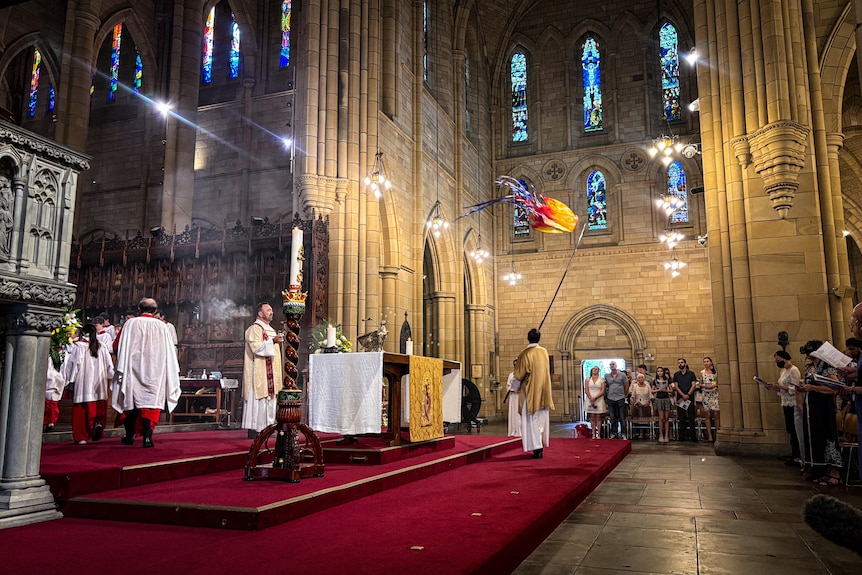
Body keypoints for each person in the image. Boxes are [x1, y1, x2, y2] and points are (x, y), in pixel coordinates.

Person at [112, 298, 181, 448]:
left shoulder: (130, 324)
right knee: (151, 404)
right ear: (155, 311)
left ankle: (129, 435)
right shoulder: (163, 327)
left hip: (132, 369)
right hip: (155, 371)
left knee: (131, 402)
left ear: (139, 309)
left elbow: (116, 346)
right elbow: (170, 352)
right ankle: (148, 438)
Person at [799, 340, 843, 486]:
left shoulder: (827, 367)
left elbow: (835, 389)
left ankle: (833, 472)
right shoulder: (810, 368)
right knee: (814, 437)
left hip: (823, 407)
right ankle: (819, 469)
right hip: (811, 407)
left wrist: (813, 388)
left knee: (826, 435)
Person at [63, 323, 114, 444]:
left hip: (84, 384)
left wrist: (70, 380)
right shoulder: (102, 346)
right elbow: (109, 366)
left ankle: (82, 436)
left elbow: (74, 364)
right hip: (99, 386)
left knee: (82, 410)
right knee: (98, 408)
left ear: (82, 333)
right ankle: (97, 425)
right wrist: (111, 377)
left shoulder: (79, 346)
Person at [242, 302, 284, 435]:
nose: (271, 312)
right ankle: (255, 429)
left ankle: (269, 427)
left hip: (271, 371)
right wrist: (272, 341)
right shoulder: (254, 329)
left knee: (270, 399)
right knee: (258, 399)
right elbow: (256, 348)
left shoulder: (270, 329)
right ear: (260, 313)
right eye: (268, 310)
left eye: (271, 309)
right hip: (258, 372)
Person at [513, 328, 554, 459]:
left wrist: (515, 388)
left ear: (528, 338)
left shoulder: (525, 353)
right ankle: (539, 445)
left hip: (530, 391)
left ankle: (537, 448)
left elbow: (519, 375)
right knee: (541, 420)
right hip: (544, 390)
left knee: (531, 421)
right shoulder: (544, 352)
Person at [768, 350, 802, 465]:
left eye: (778, 360)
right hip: (785, 402)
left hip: (793, 403)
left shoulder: (794, 370)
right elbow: (783, 388)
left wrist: (780, 386)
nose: (777, 362)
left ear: (785, 358)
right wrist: (774, 388)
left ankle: (798, 456)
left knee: (794, 429)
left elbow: (795, 388)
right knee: (790, 429)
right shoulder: (783, 371)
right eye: (776, 360)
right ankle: (794, 453)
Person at [672, 358, 698, 441]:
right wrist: (683, 395)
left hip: (689, 397)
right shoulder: (676, 374)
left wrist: (688, 394)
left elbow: (693, 385)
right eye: (678, 363)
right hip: (681, 397)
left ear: (685, 364)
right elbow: (676, 386)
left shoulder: (691, 374)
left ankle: (693, 436)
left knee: (691, 417)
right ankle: (682, 436)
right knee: (681, 417)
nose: (680, 364)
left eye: (682, 362)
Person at [604, 360, 629, 439]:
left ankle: (623, 433)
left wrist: (625, 395)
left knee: (621, 417)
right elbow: (606, 386)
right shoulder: (607, 376)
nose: (612, 366)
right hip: (611, 398)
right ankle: (614, 432)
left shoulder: (622, 375)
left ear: (616, 365)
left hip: (620, 397)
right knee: (612, 417)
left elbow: (626, 386)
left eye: (613, 364)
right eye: (610, 364)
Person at [700, 357, 720, 442]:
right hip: (706, 394)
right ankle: (710, 435)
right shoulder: (702, 372)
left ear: (711, 363)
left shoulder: (716, 372)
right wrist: (703, 385)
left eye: (707, 361)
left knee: (716, 414)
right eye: (704, 361)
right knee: (707, 415)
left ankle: (718, 433)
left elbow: (718, 382)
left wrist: (714, 385)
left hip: (714, 393)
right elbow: (700, 383)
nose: (706, 363)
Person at [44, 356, 66, 433]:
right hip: (55, 379)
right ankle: (50, 423)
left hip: (53, 379)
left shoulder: (59, 354)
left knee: (51, 404)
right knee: (51, 404)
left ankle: (50, 423)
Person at [584, 365, 607, 439]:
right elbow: (586, 389)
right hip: (590, 398)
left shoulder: (602, 380)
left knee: (598, 417)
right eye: (593, 369)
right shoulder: (588, 379)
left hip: (599, 399)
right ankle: (593, 433)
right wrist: (591, 398)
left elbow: (602, 390)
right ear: (591, 370)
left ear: (598, 371)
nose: (595, 370)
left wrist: (595, 398)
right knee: (592, 416)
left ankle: (599, 434)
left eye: (596, 369)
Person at [628, 373, 653, 439]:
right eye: (639, 377)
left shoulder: (647, 386)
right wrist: (635, 403)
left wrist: (647, 402)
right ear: (637, 379)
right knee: (639, 415)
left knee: (646, 415)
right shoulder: (635, 386)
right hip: (638, 403)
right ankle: (640, 432)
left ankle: (648, 432)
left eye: (642, 377)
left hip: (646, 403)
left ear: (644, 378)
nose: (641, 379)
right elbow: (633, 396)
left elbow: (650, 396)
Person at [652, 366, 673, 442]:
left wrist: (665, 390)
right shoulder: (655, 381)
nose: (660, 372)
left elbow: (671, 390)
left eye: (661, 371)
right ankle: (661, 435)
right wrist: (658, 390)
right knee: (661, 418)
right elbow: (652, 391)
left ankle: (666, 435)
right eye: (658, 371)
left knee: (666, 418)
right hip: (659, 399)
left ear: (663, 372)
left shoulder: (667, 380)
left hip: (666, 398)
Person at [505, 359, 522, 437]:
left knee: (519, 414)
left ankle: (520, 431)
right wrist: (510, 388)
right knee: (513, 413)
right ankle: (513, 430)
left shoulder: (522, 374)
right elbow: (508, 385)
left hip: (519, 396)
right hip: (513, 396)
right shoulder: (511, 375)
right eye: (514, 365)